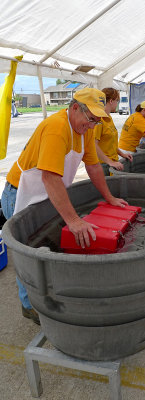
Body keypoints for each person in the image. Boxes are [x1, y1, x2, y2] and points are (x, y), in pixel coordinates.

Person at [1, 88, 128, 324]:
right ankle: (29, 305)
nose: (93, 125)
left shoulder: (85, 129)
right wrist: (74, 220)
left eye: (97, 121)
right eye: (91, 119)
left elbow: (93, 167)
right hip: (21, 193)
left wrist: (110, 198)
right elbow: (49, 176)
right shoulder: (57, 127)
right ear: (74, 107)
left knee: (49, 248)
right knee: (27, 254)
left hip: (47, 195)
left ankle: (50, 294)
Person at [94, 87, 133, 176]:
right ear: (111, 101)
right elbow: (93, 145)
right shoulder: (99, 119)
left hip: (110, 162)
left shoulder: (108, 117)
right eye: (117, 101)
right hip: (102, 165)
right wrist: (110, 162)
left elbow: (111, 143)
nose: (118, 104)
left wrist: (122, 154)